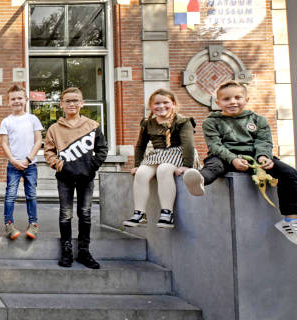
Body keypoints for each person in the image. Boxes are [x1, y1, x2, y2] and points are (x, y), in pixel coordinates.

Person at [183, 80, 297, 245]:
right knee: (214, 166)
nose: (233, 102)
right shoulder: (211, 122)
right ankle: (199, 180)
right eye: (227, 99)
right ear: (218, 102)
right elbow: (215, 145)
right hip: (225, 156)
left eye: (238, 97)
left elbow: (263, 142)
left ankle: (291, 221)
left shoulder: (259, 120)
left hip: (254, 156)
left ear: (246, 100)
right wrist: (233, 159)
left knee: (291, 174)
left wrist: (263, 157)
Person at [43, 87, 108, 269]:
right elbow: (48, 152)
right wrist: (60, 166)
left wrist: (91, 166)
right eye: (68, 101)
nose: (72, 104)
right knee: (66, 214)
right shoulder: (54, 129)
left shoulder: (92, 125)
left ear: (82, 103)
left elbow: (102, 149)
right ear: (61, 104)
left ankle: (84, 251)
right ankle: (67, 250)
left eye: (75, 100)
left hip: (86, 177)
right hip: (65, 178)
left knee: (85, 214)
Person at [123, 89, 197, 230]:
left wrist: (187, 165)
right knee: (142, 173)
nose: (161, 106)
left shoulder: (183, 121)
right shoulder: (147, 124)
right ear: (151, 106)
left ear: (174, 104)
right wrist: (137, 165)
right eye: (157, 103)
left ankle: (167, 213)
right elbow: (140, 146)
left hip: (179, 153)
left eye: (166, 102)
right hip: (157, 155)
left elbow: (188, 144)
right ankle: (139, 213)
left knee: (163, 170)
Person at [0, 84, 43, 240]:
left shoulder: (33, 119)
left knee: (31, 195)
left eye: (19, 98)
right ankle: (8, 224)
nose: (16, 101)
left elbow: (38, 141)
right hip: (13, 165)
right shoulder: (6, 121)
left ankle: (33, 224)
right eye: (13, 99)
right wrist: (13, 161)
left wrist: (28, 159)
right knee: (10, 195)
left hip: (30, 165)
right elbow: (4, 143)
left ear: (26, 100)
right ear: (8, 102)